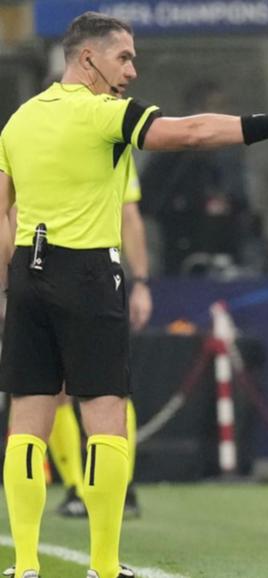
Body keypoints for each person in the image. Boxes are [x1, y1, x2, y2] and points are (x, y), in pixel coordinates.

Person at [0, 11, 268, 578]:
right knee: (104, 419)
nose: (132, 69)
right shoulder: (103, 114)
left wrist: (7, 289)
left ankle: (26, 565)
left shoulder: (18, 122)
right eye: (123, 57)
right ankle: (104, 568)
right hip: (87, 274)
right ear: (88, 58)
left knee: (25, 425)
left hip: (26, 277)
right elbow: (191, 132)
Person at [52, 155, 150, 519]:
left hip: (59, 273)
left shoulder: (109, 145)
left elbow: (129, 216)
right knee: (105, 386)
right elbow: (130, 215)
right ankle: (106, 488)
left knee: (74, 388)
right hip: (94, 276)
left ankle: (94, 487)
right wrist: (140, 283)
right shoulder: (109, 141)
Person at [140, 81, 253, 275]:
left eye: (226, 107)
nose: (224, 115)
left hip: (228, 254)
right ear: (197, 111)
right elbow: (149, 201)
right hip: (180, 251)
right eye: (216, 107)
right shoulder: (171, 154)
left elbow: (242, 203)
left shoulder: (231, 155)